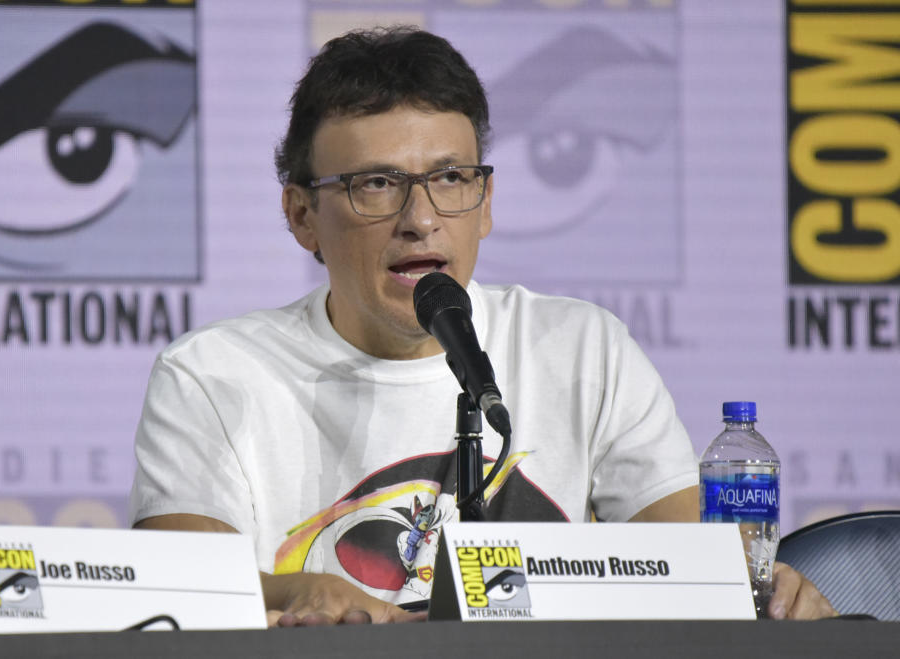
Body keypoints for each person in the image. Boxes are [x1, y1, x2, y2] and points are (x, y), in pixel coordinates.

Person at [129, 26, 835, 626]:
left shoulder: (582, 349)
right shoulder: (215, 375)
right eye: (376, 183)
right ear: (301, 214)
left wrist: (762, 593)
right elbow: (173, 592)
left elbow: (697, 576)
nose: (421, 217)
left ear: (486, 198)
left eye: (450, 178)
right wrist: (296, 590)